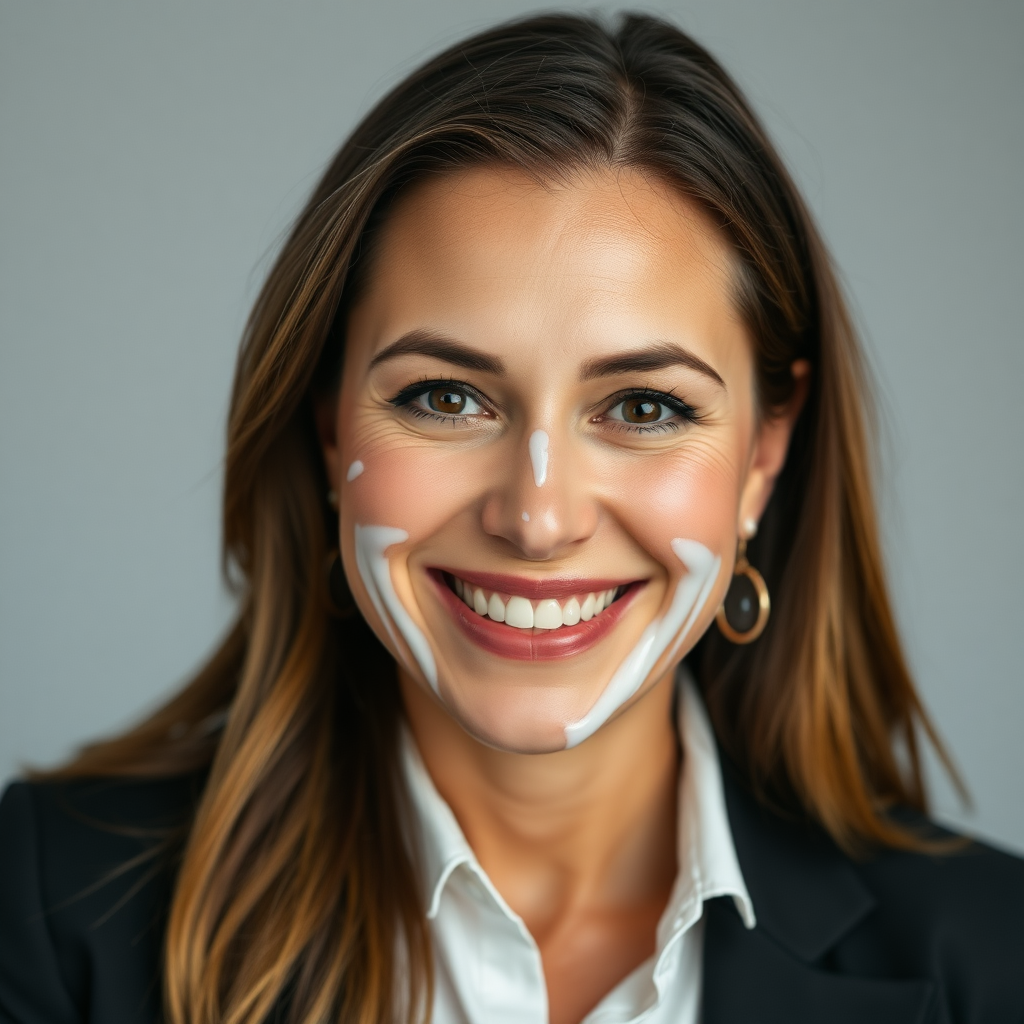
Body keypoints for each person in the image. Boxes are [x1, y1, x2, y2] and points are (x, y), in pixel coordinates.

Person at [0, 12, 1020, 1024]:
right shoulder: (55, 908)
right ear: (326, 425)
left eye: (642, 407)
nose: (537, 517)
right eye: (445, 397)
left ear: (763, 452)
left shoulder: (993, 958)